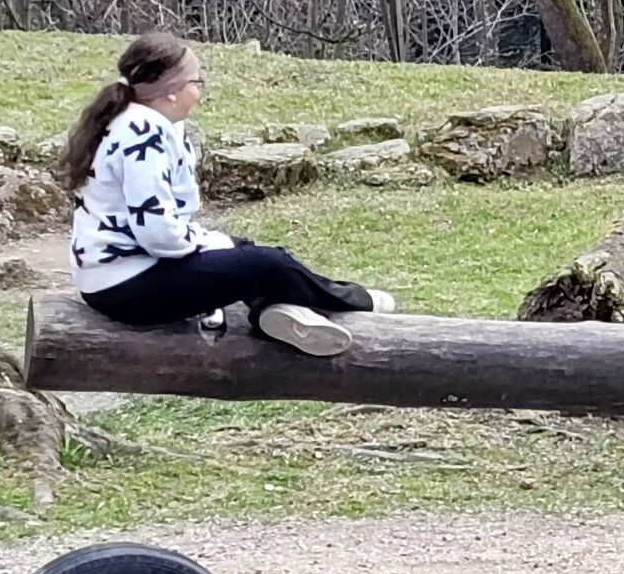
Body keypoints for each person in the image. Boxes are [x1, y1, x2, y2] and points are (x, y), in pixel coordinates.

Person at [63, 31, 393, 356]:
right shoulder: (144, 133)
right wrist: (208, 242)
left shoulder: (132, 118)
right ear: (171, 91)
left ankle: (276, 313)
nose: (200, 92)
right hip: (127, 288)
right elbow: (158, 233)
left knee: (244, 251)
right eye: (196, 82)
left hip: (113, 277)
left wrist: (215, 243)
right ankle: (354, 301)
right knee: (269, 264)